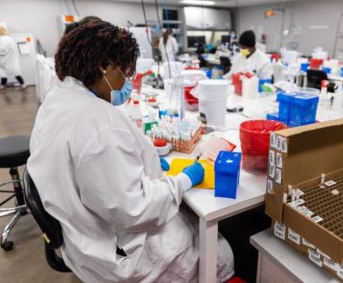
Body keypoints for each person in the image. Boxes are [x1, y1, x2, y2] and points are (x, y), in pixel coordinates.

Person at [27, 20, 234, 283]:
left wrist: (143, 163)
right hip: (118, 254)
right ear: (104, 66)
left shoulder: (58, 100)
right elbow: (136, 210)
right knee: (217, 249)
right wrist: (186, 179)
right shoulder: (98, 123)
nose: (128, 82)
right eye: (125, 72)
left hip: (78, 233)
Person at [0, 25, 27, 90]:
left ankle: (23, 85)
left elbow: (2, 49)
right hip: (8, 58)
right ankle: (3, 85)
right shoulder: (6, 38)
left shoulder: (3, 39)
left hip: (7, 59)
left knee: (14, 72)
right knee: (4, 72)